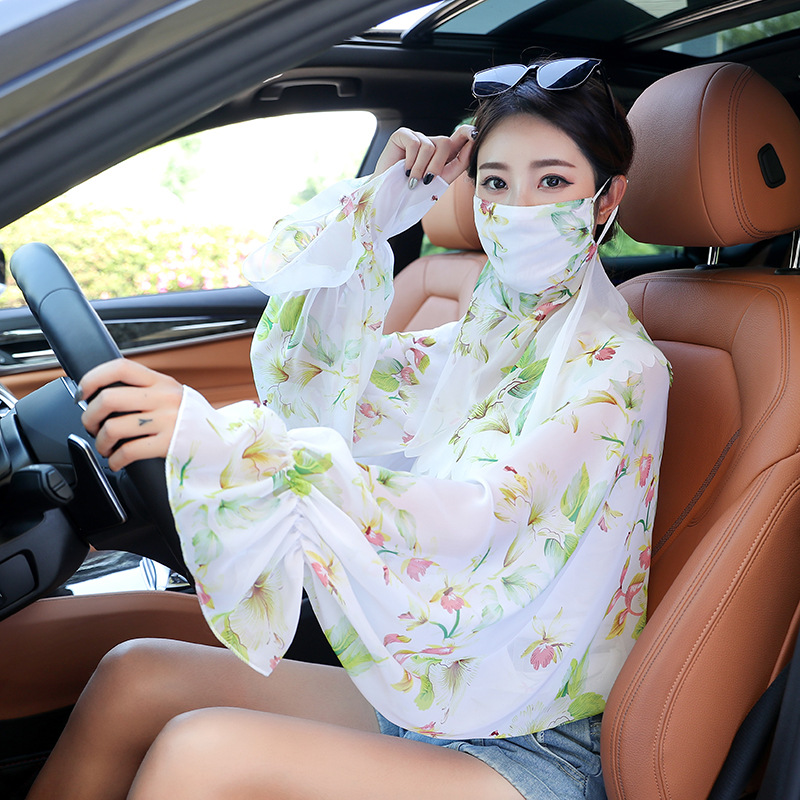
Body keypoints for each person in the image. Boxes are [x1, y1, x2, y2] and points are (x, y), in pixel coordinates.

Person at [28, 56, 669, 800]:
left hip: (533, 736)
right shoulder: (482, 340)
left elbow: (480, 516)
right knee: (135, 674)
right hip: (435, 690)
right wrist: (383, 204)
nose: (518, 208)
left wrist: (229, 446)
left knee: (203, 753)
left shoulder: (622, 371)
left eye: (552, 181)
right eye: (494, 183)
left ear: (605, 197)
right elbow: (318, 380)